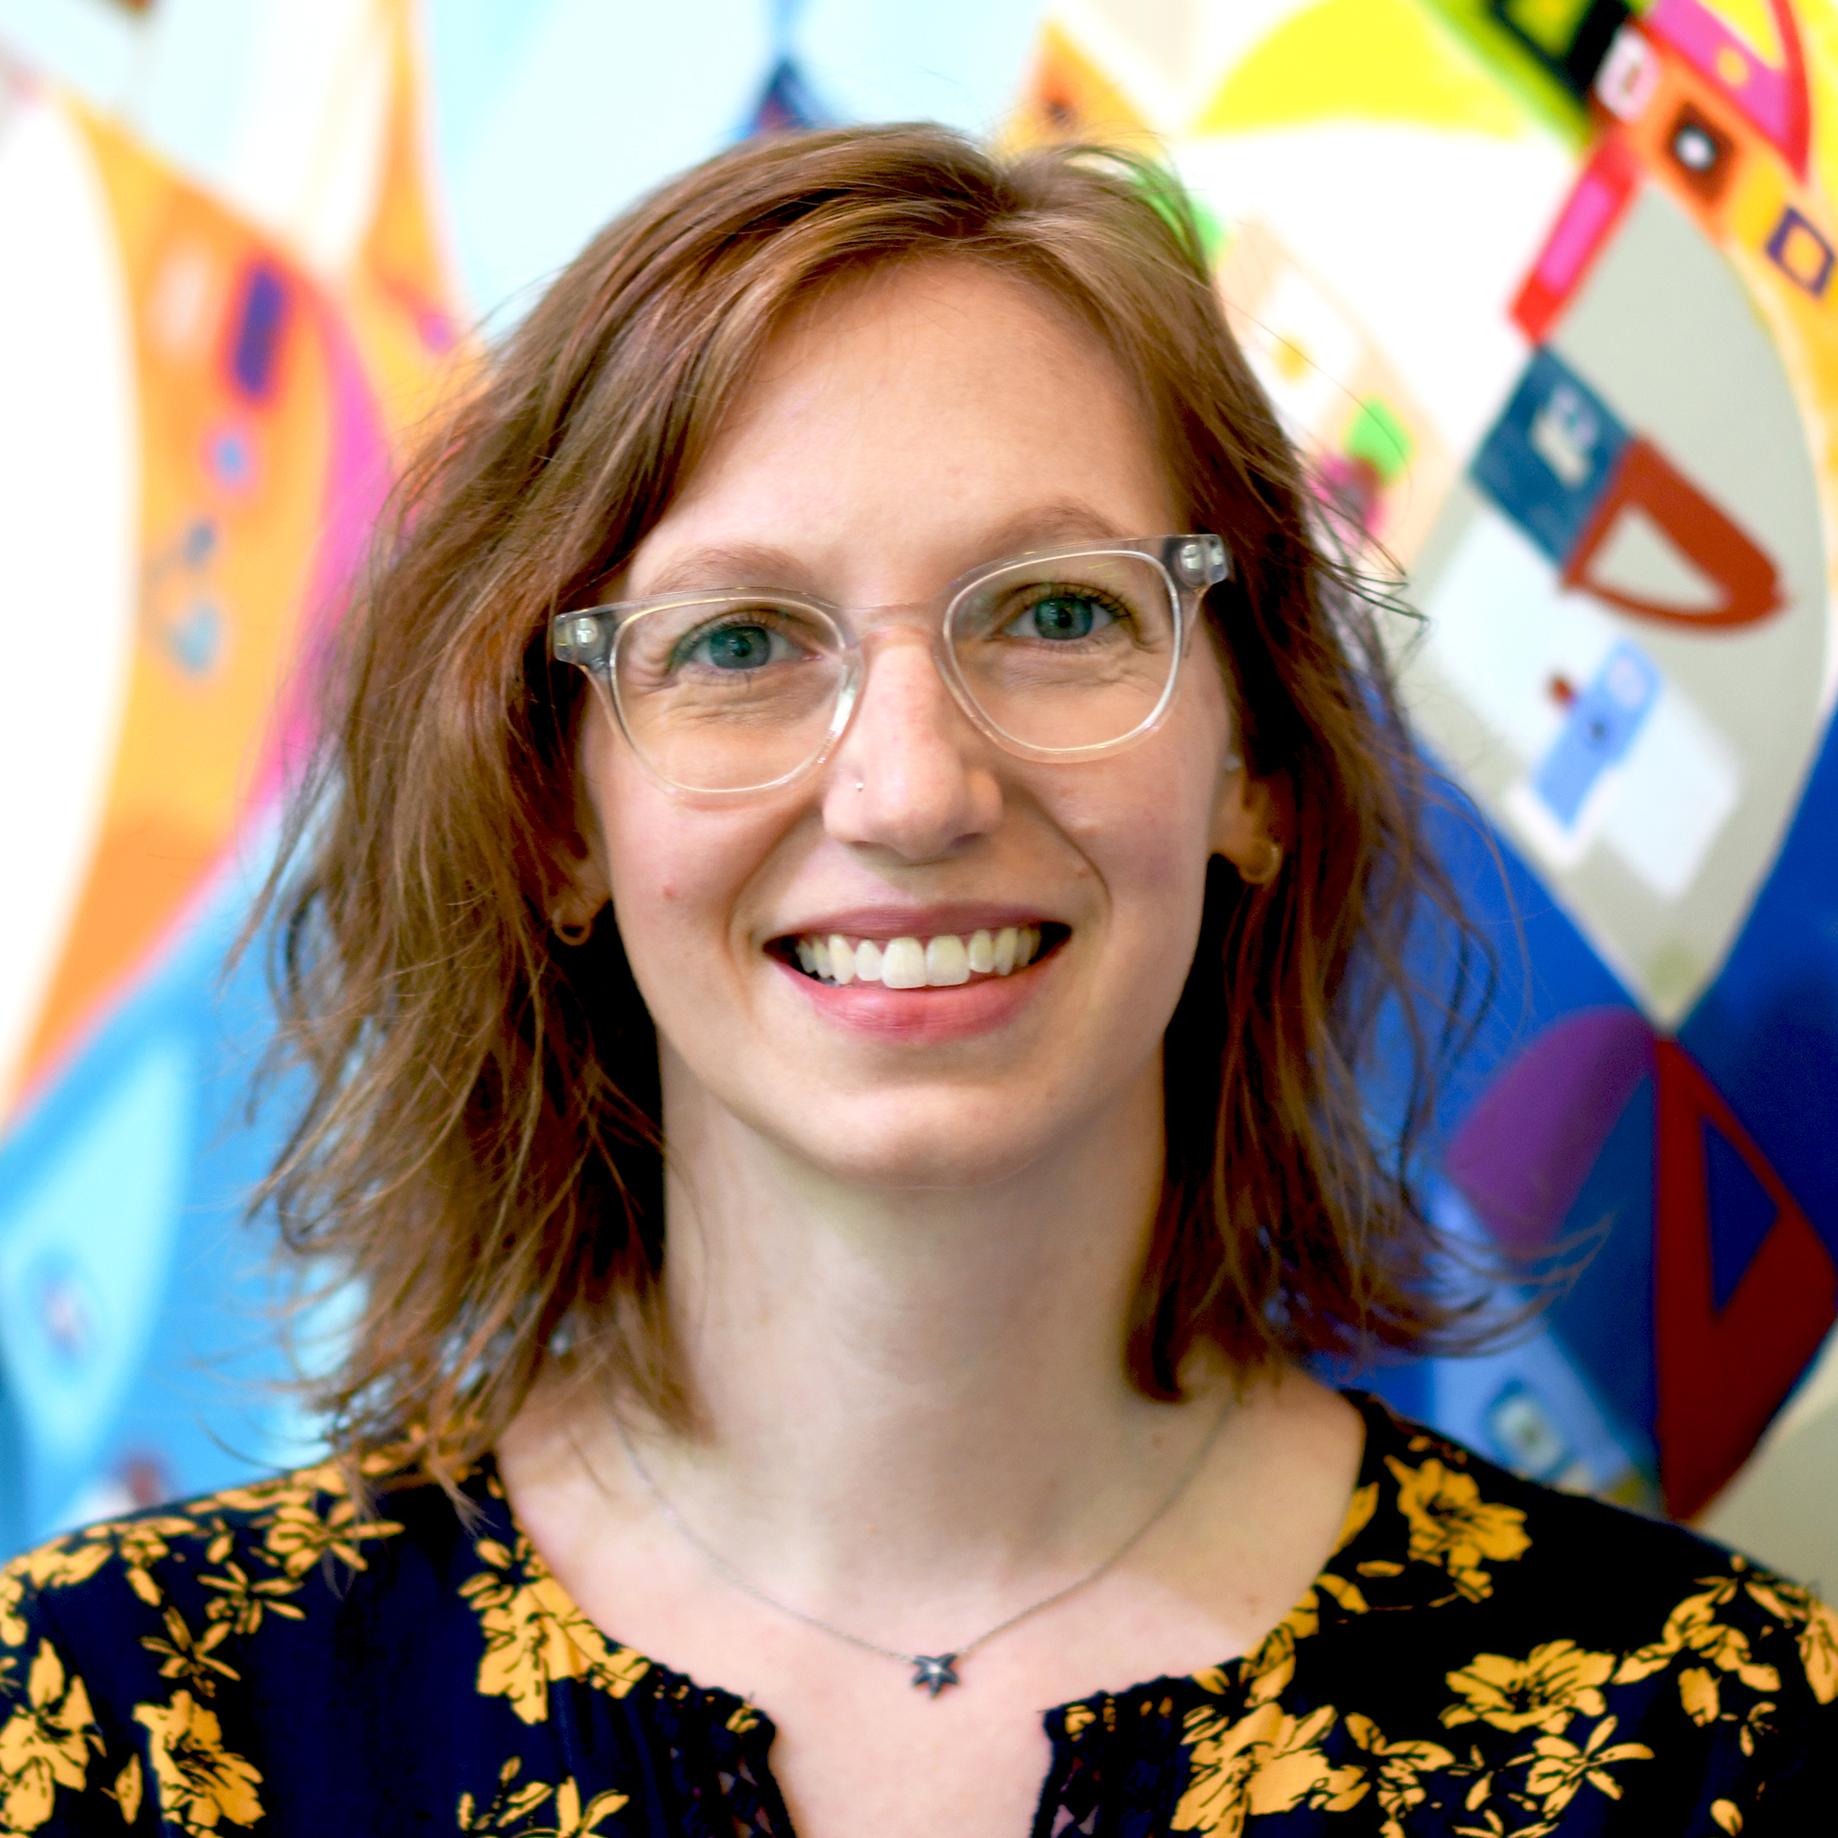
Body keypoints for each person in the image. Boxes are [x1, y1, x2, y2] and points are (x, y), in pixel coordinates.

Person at [1, 125, 1830, 1838]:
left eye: (1056, 613)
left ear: (1256, 760)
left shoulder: (1709, 1735)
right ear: (558, 818)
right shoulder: (124, 1723)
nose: (909, 792)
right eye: (737, 641)